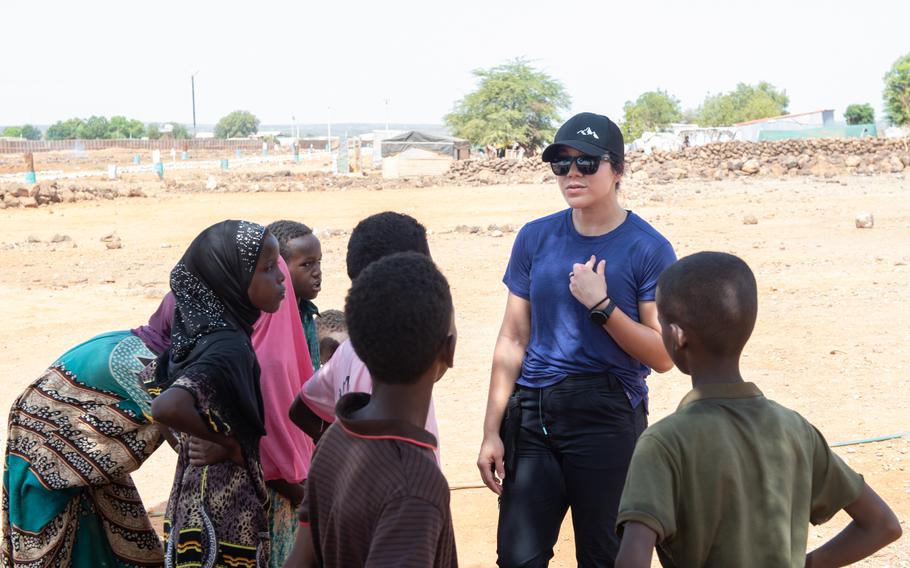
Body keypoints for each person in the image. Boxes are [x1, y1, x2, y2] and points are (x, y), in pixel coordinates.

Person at [477, 112, 677, 567]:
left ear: (618, 169)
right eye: (560, 163)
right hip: (533, 416)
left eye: (587, 163)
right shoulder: (535, 238)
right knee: (517, 559)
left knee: (605, 558)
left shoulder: (649, 248)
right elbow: (512, 338)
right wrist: (491, 430)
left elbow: (664, 355)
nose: (572, 174)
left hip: (608, 419)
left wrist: (602, 307)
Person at [615, 251, 902, 567]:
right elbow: (882, 525)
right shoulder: (795, 429)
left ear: (678, 335)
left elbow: (632, 558)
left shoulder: (664, 443)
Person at [284, 252, 458, 568]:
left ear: (358, 347)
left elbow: (301, 559)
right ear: (449, 350)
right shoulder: (414, 485)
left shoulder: (335, 439)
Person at [2, 292, 176, 567]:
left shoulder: (145, 341)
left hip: (67, 432)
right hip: (45, 442)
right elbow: (185, 436)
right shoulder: (147, 364)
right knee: (48, 521)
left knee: (105, 524)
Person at [150, 220, 286, 568]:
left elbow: (154, 381)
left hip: (191, 505)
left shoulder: (199, 334)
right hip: (225, 515)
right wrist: (226, 443)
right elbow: (167, 405)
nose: (281, 279)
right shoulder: (229, 347)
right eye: (268, 269)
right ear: (232, 280)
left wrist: (189, 440)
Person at [287, 212, 440, 464]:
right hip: (406, 493)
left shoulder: (349, 350)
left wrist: (340, 449)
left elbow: (301, 409)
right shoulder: (397, 356)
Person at [267, 220, 322, 370]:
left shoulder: (306, 312)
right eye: (307, 264)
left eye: (319, 262)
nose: (318, 272)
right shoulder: (271, 320)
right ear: (280, 267)